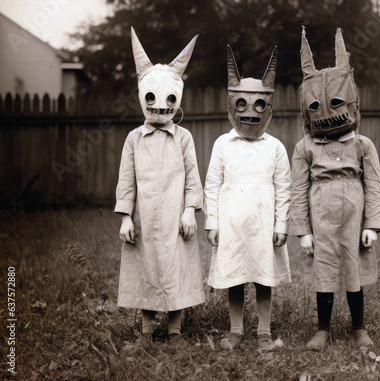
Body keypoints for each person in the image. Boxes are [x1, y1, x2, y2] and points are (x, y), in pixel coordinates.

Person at [290, 27, 380, 351]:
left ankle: (359, 326)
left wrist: (372, 223)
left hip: (353, 217)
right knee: (325, 268)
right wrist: (303, 231)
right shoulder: (304, 147)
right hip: (321, 218)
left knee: (353, 266)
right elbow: (297, 190)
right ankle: (323, 329)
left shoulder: (362, 145)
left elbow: (373, 185)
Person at [115, 28, 205, 346]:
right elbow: (126, 181)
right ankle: (146, 332)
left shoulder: (183, 138)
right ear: (142, 96)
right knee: (146, 270)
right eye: (151, 97)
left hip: (175, 219)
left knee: (177, 269)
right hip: (144, 220)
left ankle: (175, 330)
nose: (159, 106)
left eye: (168, 98)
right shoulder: (134, 140)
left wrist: (190, 211)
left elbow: (193, 178)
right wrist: (126, 216)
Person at [204, 45, 291, 352]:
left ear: (267, 107)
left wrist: (282, 224)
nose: (251, 113)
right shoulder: (222, 144)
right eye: (242, 104)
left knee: (264, 277)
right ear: (232, 105)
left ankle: (264, 329)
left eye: (258, 105)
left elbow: (284, 187)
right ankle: (235, 328)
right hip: (232, 222)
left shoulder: (275, 147)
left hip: (264, 222)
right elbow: (212, 184)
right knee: (235, 276)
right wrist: (211, 223)